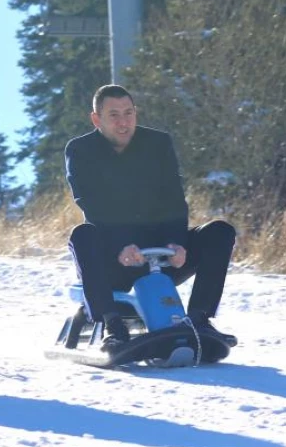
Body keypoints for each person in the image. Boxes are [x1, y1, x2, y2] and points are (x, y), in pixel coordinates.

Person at [64, 84, 237, 352]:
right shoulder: (80, 150)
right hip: (114, 259)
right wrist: (121, 247)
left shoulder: (157, 144)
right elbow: (91, 204)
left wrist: (176, 243)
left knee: (219, 231)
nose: (124, 123)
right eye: (114, 115)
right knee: (82, 235)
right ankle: (114, 327)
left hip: (162, 258)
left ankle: (200, 320)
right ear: (96, 119)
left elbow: (173, 199)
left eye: (129, 113)